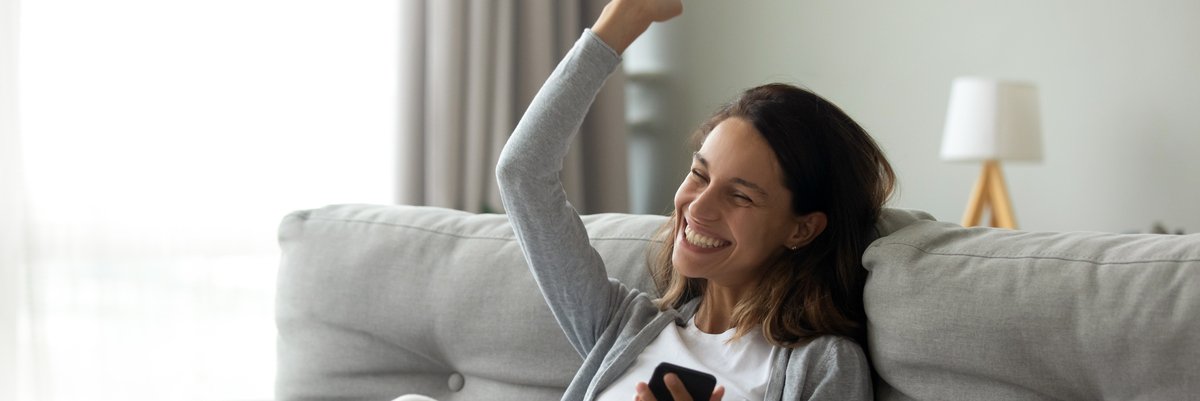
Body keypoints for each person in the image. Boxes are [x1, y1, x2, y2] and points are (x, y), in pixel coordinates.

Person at [496, 0, 896, 400]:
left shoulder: (822, 362)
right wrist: (615, 28)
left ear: (803, 228)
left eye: (739, 195)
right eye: (699, 174)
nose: (698, 208)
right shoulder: (624, 326)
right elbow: (522, 173)